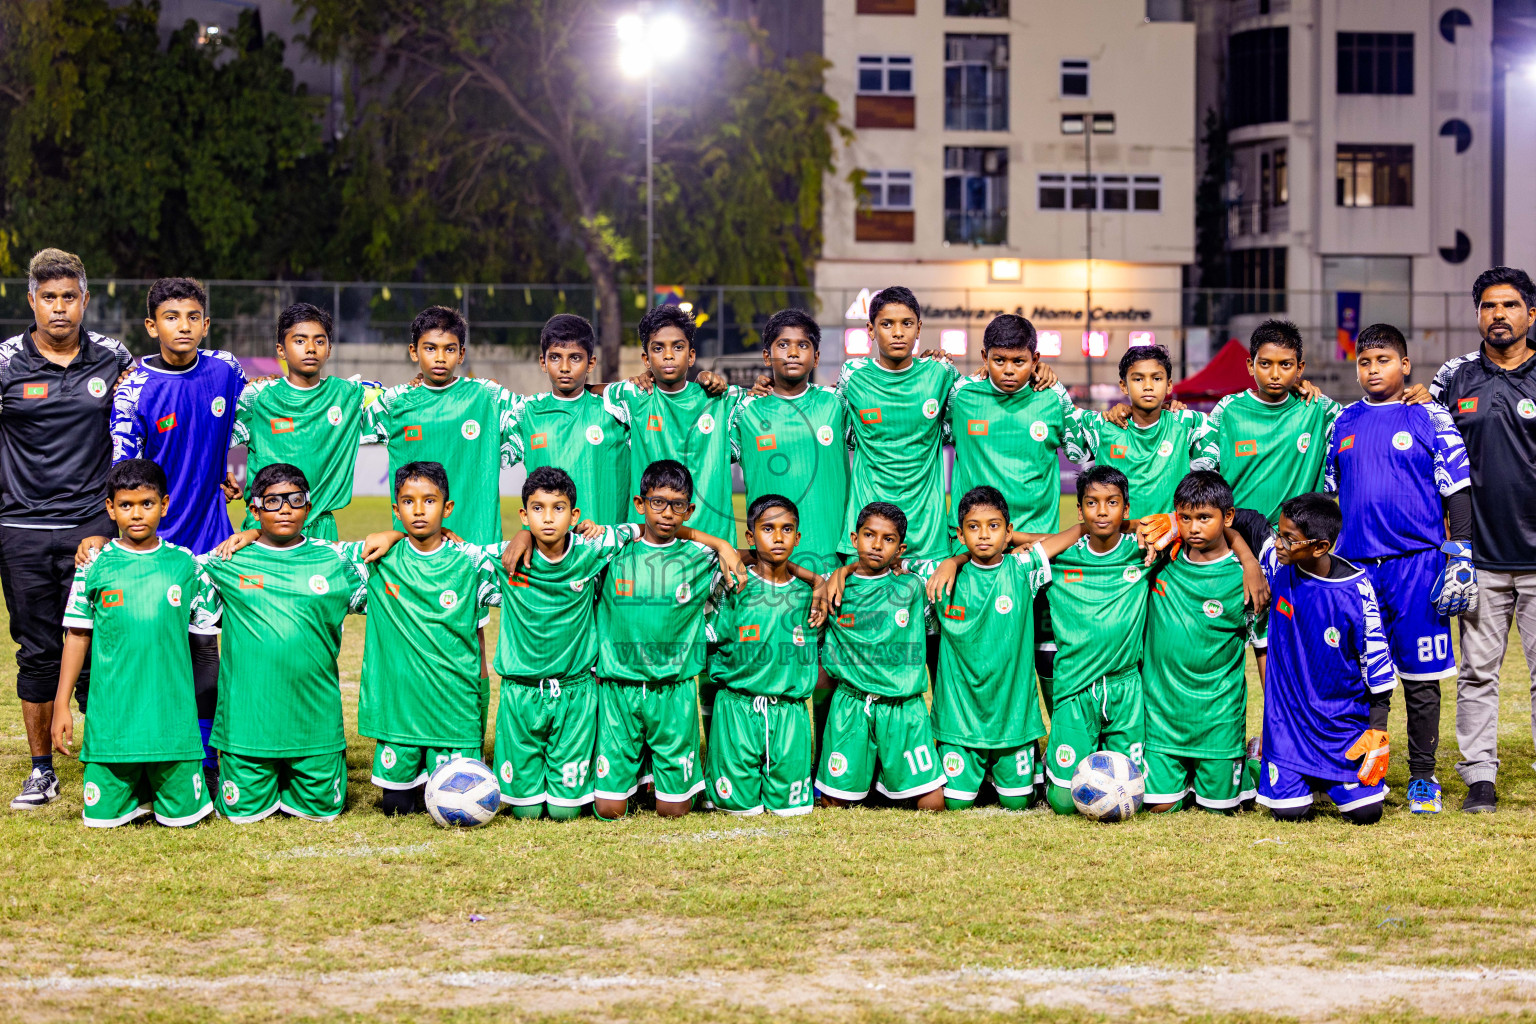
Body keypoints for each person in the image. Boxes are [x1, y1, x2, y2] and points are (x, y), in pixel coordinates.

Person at [97, 276, 245, 790]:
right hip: (151, 546)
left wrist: (232, 469)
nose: (182, 327)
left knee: (205, 649)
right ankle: (148, 750)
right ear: (150, 325)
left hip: (211, 540)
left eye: (192, 317)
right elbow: (123, 473)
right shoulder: (134, 386)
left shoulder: (226, 370)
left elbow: (253, 423)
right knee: (156, 650)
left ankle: (205, 756)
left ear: (206, 323)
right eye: (170, 317)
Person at [0, 248, 134, 810]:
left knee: (103, 644)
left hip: (93, 528)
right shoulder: (4, 361)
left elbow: (140, 431)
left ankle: (109, 755)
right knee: (37, 650)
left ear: (85, 300)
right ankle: (40, 770)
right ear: (31, 300)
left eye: (69, 297)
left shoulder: (114, 358)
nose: (59, 308)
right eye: (48, 298)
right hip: (21, 529)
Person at [1324, 322, 1471, 815]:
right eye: (1364, 362)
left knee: (1421, 678)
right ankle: (1371, 770)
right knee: (1368, 677)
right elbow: (1330, 497)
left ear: (1405, 365)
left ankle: (1424, 777)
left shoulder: (1431, 416)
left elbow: (1457, 488)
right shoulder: (1342, 422)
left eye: (1383, 360)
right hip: (1359, 568)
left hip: (1418, 566)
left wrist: (1461, 552)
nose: (1372, 370)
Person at [1419, 266, 1536, 814]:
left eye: (1510, 305)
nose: (1499, 315)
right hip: (1478, 558)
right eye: (1489, 306)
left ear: (1530, 315)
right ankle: (1480, 778)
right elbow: (1417, 428)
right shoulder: (1454, 377)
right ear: (1477, 315)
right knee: (1477, 673)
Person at [51, 459, 218, 828]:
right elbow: (77, 635)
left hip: (172, 728)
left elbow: (208, 646)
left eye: (147, 503)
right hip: (114, 726)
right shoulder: (94, 564)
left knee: (185, 821)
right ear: (110, 508)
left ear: (165, 504)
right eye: (126, 505)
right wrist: (62, 704)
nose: (137, 514)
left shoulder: (186, 565)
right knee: (102, 822)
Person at [199, 464, 368, 823]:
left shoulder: (337, 559)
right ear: (255, 509)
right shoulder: (226, 561)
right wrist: (103, 546)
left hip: (315, 730)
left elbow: (411, 555)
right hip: (247, 731)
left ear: (309, 506)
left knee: (321, 814)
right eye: (273, 502)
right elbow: (158, 563)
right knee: (243, 817)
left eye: (295, 500)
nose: (286, 509)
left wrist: (396, 536)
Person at [589, 459, 748, 820]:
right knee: (609, 810)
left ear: (689, 510)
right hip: (619, 689)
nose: (667, 513)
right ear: (640, 503)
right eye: (657, 502)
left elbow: (739, 573)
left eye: (678, 505)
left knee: (673, 811)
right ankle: (638, 771)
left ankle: (659, 775)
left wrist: (720, 543)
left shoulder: (700, 558)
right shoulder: (613, 550)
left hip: (672, 693)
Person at [486, 466, 640, 820]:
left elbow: (643, 529)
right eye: (537, 509)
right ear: (524, 515)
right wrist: (394, 537)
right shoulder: (505, 556)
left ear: (574, 516)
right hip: (521, 694)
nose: (548, 518)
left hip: (575, 694)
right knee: (525, 814)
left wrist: (721, 544)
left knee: (562, 813)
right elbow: (450, 550)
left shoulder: (591, 550)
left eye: (559, 508)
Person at [348, 462, 499, 815]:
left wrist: (522, 535)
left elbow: (532, 563)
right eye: (408, 501)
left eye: (429, 501)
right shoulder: (376, 560)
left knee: (458, 800)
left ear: (446, 508)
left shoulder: (470, 561)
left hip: (452, 711)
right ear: (395, 509)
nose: (418, 509)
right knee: (396, 808)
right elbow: (303, 552)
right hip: (400, 713)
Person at [918, 487, 1079, 810]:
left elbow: (1074, 532)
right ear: (960, 534)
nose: (984, 535)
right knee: (953, 804)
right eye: (973, 527)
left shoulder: (1022, 570)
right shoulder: (937, 577)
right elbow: (884, 564)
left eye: (994, 526)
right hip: (959, 723)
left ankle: (1028, 764)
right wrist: (952, 561)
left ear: (1009, 532)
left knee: (1017, 802)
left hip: (1012, 722)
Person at [1254, 493, 1395, 824]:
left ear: (1320, 547)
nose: (1278, 544)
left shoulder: (1357, 592)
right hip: (1287, 727)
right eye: (1279, 533)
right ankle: (1272, 760)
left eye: (1289, 539)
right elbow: (1243, 519)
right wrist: (1249, 563)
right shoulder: (1278, 563)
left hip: (1341, 728)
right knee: (1289, 814)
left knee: (1366, 814)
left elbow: (1376, 665)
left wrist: (1378, 731)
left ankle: (1324, 777)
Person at [1141, 472, 1266, 814]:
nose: (1193, 527)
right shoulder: (1160, 558)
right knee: (1159, 808)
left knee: (1220, 809)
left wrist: (1250, 561)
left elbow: (1263, 645)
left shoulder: (1246, 578)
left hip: (1218, 718)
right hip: (1163, 717)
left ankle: (1253, 762)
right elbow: (1112, 528)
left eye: (1204, 518)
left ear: (1227, 518)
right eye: (1184, 518)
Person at [816, 502, 945, 811]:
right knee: (833, 804)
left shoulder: (912, 587)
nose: (876, 545)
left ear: (900, 549)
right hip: (851, 706)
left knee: (933, 804)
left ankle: (886, 780)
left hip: (902, 708)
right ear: (853, 538)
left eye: (888, 539)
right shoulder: (830, 588)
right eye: (869, 535)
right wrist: (837, 573)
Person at [1037, 467, 1150, 814]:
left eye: (1112, 503)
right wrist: (955, 559)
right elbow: (1009, 542)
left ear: (1126, 509)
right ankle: (1052, 757)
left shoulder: (1144, 551)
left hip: (1125, 687)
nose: (1102, 511)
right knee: (1062, 804)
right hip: (1075, 686)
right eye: (1092, 503)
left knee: (1137, 795)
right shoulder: (1060, 555)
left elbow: (1195, 523)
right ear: (1081, 510)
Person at [703, 494, 820, 817]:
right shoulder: (731, 586)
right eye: (768, 529)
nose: (778, 537)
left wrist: (818, 580)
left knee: (791, 814)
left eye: (787, 529)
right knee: (738, 811)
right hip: (737, 711)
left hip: (790, 715)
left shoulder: (809, 594)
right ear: (750, 537)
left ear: (798, 537)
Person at [230, 302, 384, 542]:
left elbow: (409, 405)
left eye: (319, 341)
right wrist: (222, 474)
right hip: (265, 526)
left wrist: (421, 382)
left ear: (329, 349)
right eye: (300, 341)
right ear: (281, 350)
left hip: (321, 529)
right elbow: (211, 435)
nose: (311, 348)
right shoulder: (256, 397)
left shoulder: (350, 396)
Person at [836, 288, 959, 563]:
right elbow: (834, 426)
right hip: (867, 533)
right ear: (871, 329)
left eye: (907, 323)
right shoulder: (853, 376)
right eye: (887, 324)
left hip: (927, 536)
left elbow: (971, 407)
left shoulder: (940, 373)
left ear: (919, 328)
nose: (898, 332)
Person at [375, 306, 515, 545]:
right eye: (430, 348)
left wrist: (593, 390)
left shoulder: (488, 398)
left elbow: (544, 408)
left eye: (449, 349)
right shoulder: (394, 403)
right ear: (414, 351)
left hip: (479, 549)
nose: (440, 357)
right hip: (416, 549)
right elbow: (341, 414)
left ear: (461, 354)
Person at [603, 305, 742, 544]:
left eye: (678, 347)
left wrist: (764, 381)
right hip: (648, 544)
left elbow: (770, 396)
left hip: (710, 546)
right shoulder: (632, 396)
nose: (668, 355)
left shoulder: (721, 399)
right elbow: (585, 393)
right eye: (658, 348)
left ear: (691, 356)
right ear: (646, 359)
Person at [729, 310, 851, 575]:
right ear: (766, 356)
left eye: (803, 345)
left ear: (816, 358)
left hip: (833, 562)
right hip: (770, 567)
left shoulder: (837, 403)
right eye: (782, 345)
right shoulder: (744, 412)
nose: (793, 353)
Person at [945, 315, 1087, 541]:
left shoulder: (1053, 397)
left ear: (1035, 359)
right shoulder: (960, 396)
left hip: (1037, 541)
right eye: (999, 360)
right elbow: (924, 433)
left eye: (1019, 361)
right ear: (984, 357)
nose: (1008, 370)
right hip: (971, 542)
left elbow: (1081, 452)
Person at [1193, 320, 1342, 524]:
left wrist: (1401, 401)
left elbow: (1367, 419)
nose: (1274, 374)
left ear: (1300, 369)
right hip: (1239, 538)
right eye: (1265, 364)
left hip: (1297, 542)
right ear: (1250, 366)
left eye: (1285, 365)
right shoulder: (1228, 410)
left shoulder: (1318, 408)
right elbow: (1201, 473)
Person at [507, 314, 630, 527]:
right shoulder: (525, 413)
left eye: (575, 358)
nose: (564, 367)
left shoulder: (616, 412)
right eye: (555, 357)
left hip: (605, 550)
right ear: (542, 362)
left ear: (591, 363)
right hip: (546, 552)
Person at [1079, 345, 1208, 518]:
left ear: (1169, 385)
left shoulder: (1185, 423)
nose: (1148, 386)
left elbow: (1228, 421)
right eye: (1138, 379)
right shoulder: (1104, 425)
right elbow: (1062, 412)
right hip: (1120, 542)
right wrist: (1041, 371)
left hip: (1172, 540)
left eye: (1156, 378)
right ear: (1124, 386)